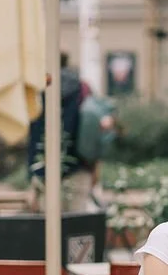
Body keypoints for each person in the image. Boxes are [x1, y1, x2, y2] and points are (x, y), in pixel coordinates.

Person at [28, 53, 109, 212]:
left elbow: (34, 132)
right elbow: (92, 129)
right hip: (79, 166)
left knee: (48, 224)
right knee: (76, 226)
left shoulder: (38, 88)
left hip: (44, 166)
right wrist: (94, 167)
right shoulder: (83, 88)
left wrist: (32, 172)